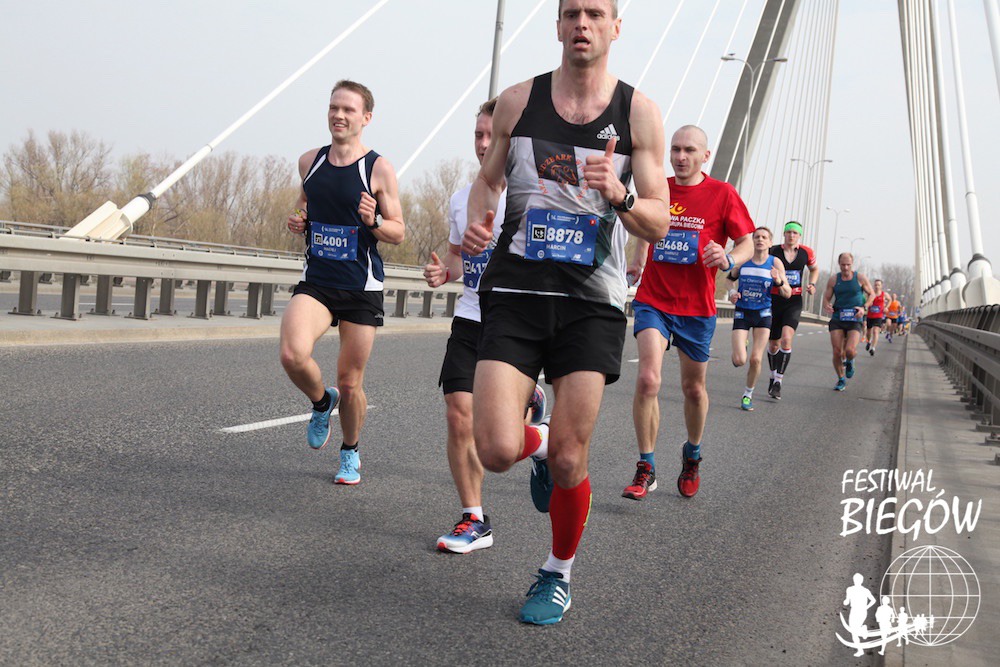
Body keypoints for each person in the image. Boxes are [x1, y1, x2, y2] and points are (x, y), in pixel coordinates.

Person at [461, 0, 671, 624]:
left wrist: (621, 194)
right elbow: (488, 180)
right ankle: (538, 445)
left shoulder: (638, 113)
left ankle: (557, 573)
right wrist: (479, 219)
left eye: (595, 13)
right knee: (494, 448)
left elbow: (659, 219)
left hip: (590, 304)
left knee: (572, 459)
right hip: (517, 293)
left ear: (615, 28)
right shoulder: (518, 101)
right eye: (572, 12)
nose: (583, 23)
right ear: (557, 26)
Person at [421, 99, 549, 554]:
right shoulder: (462, 199)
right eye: (478, 134)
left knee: (498, 441)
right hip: (471, 317)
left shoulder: (537, 194)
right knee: (459, 413)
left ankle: (539, 440)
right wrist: (444, 272)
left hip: (516, 327)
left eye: (492, 135)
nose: (483, 143)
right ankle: (473, 518)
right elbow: (458, 258)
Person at [281, 80, 405, 484]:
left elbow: (398, 231)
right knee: (292, 354)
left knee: (350, 384)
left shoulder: (378, 168)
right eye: (334, 107)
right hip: (317, 281)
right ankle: (321, 402)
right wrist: (299, 221)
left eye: (348, 109)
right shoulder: (309, 162)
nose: (339, 115)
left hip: (360, 287)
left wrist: (374, 220)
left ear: (366, 118)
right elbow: (303, 207)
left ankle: (350, 450)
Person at [624, 124, 754, 501]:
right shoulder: (659, 189)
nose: (680, 157)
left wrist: (729, 258)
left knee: (693, 389)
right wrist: (638, 260)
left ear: (705, 156)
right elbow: (645, 227)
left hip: (697, 307)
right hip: (653, 299)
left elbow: (746, 241)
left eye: (689, 150)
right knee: (648, 379)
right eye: (676, 149)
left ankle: (692, 454)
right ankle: (646, 466)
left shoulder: (722, 194)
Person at [726, 226, 791, 411]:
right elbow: (729, 280)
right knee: (739, 360)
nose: (760, 239)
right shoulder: (743, 261)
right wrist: (732, 292)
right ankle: (743, 345)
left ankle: (748, 394)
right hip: (743, 312)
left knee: (755, 359)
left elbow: (787, 293)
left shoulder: (775, 263)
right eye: (756, 237)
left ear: (770, 243)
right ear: (753, 241)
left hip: (763, 314)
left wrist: (778, 281)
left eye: (764, 237)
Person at [766, 221, 820, 400]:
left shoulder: (806, 252)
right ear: (784, 234)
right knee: (773, 344)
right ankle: (772, 374)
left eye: (795, 233)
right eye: (788, 232)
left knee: (786, 339)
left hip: (794, 300)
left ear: (799, 236)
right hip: (774, 299)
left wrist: (812, 284)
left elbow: (814, 269)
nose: (791, 235)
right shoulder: (772, 251)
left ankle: (778, 382)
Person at [823, 252, 874, 391]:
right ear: (839, 264)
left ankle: (850, 360)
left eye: (848, 265)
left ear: (852, 264)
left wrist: (864, 307)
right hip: (838, 317)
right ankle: (841, 379)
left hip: (855, 318)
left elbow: (872, 294)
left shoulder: (860, 278)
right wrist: (827, 305)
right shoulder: (834, 279)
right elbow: (826, 298)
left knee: (850, 350)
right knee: (837, 352)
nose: (845, 267)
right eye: (843, 265)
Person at [865, 278, 887, 356]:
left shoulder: (884, 294)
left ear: (881, 286)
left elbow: (890, 299)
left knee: (875, 331)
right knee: (868, 331)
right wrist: (868, 303)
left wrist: (886, 307)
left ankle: (873, 348)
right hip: (870, 315)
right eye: (876, 285)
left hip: (878, 316)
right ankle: (869, 341)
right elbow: (866, 301)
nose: (877, 286)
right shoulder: (871, 293)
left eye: (878, 285)